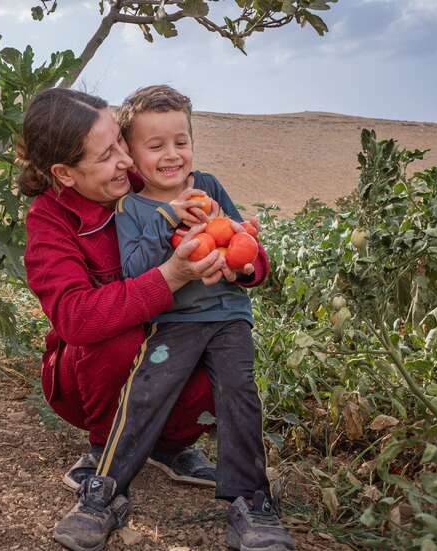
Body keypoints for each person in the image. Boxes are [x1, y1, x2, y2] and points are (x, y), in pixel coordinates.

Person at [53, 85, 295, 551]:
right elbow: (136, 270)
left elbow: (249, 250)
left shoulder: (210, 187)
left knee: (240, 396)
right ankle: (103, 492)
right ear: (132, 153)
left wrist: (244, 264)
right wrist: (168, 219)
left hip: (228, 318)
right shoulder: (133, 208)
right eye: (155, 145)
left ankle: (252, 502)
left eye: (180, 142)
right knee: (145, 392)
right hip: (174, 323)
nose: (172, 155)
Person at [20, 88, 241, 494]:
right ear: (65, 174)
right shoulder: (49, 223)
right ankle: (106, 445)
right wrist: (171, 277)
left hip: (168, 346)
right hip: (87, 372)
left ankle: (170, 446)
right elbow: (76, 318)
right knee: (115, 331)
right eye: (105, 156)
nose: (125, 160)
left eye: (120, 141)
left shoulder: (146, 181)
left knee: (219, 345)